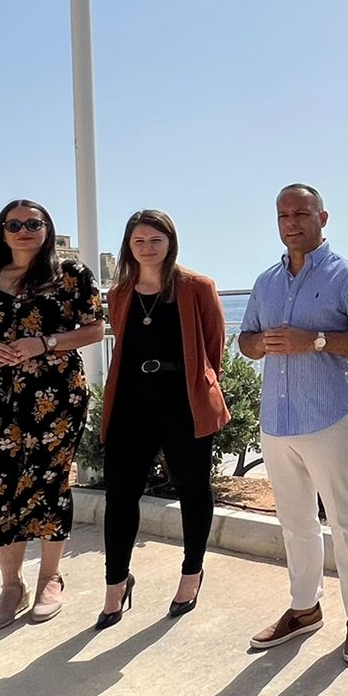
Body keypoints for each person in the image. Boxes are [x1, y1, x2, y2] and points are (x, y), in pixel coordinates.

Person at [239, 185, 348, 664]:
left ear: (322, 217)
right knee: (295, 521)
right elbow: (244, 340)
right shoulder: (265, 282)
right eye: (283, 215)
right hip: (278, 422)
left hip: (329, 417)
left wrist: (317, 341)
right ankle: (304, 609)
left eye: (301, 213)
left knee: (346, 519)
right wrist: (260, 344)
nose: (291, 223)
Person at [0, 199, 106, 632]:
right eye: (14, 224)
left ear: (46, 228)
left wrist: (46, 343)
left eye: (33, 223)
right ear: (2, 232)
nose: (24, 230)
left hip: (56, 396)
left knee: (48, 481)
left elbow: (95, 328)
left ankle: (49, 578)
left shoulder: (71, 275)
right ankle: (9, 587)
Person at [95, 209, 231, 629]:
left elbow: (214, 347)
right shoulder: (119, 293)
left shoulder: (196, 287)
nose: (147, 247)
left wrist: (199, 389)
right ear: (128, 245)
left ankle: (192, 572)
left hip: (182, 402)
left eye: (155, 239)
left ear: (170, 242)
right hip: (130, 404)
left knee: (192, 489)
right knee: (119, 495)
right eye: (139, 240)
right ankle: (116, 582)